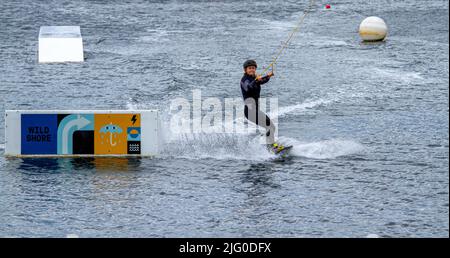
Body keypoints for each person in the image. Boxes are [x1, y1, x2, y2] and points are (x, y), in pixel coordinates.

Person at [240, 59, 284, 152]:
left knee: (270, 127)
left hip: (255, 110)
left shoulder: (254, 78)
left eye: (253, 68)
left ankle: (269, 147)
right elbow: (248, 88)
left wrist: (268, 76)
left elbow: (261, 81)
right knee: (270, 126)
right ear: (245, 70)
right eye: (249, 68)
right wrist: (256, 81)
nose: (252, 70)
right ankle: (271, 147)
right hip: (250, 111)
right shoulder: (244, 80)